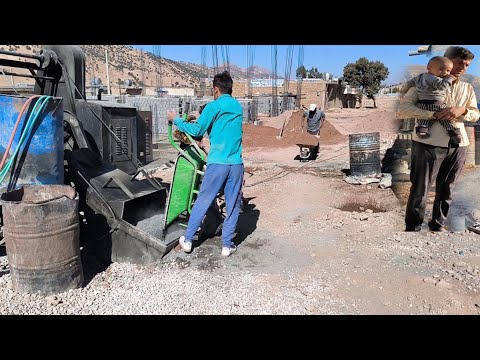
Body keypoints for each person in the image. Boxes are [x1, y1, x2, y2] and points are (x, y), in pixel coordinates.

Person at [397, 46, 479, 232]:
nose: (463, 68)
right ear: (447, 60)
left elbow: (475, 114)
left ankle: (437, 225)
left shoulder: (467, 88)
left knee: (447, 189)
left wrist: (462, 110)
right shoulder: (422, 83)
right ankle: (413, 227)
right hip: (427, 144)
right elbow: (403, 109)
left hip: (458, 145)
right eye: (459, 63)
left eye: (467, 65)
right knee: (420, 190)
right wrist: (433, 114)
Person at [167, 70, 243, 256]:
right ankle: (227, 245)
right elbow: (223, 128)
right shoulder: (237, 107)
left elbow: (197, 129)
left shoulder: (213, 106)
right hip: (236, 163)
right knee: (232, 203)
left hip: (218, 163)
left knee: (203, 200)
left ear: (216, 89)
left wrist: (175, 120)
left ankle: (188, 239)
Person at [400, 56, 461, 144]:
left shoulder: (419, 77)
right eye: (441, 69)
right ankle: (453, 133)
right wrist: (449, 78)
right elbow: (442, 86)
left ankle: (422, 130)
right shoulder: (432, 78)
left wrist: (403, 92)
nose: (445, 73)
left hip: (422, 104)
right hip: (436, 103)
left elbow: (409, 83)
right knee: (445, 118)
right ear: (429, 68)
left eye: (448, 71)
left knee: (424, 119)